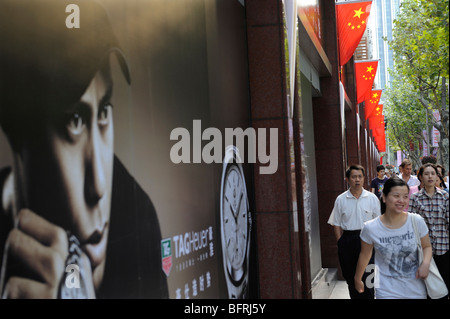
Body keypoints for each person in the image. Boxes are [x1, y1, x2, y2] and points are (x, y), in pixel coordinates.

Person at [0, 0, 168, 298]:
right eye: (74, 120)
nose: (99, 186)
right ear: (16, 127)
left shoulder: (137, 217)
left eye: (104, 112)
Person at [354, 177, 432, 299]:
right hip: (386, 290)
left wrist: (426, 264)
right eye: (396, 196)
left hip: (416, 289)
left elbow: (426, 246)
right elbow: (365, 255)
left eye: (405, 196)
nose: (401, 200)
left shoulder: (416, 221)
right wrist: (358, 278)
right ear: (384, 197)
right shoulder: (370, 228)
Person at [328, 164, 380, 299]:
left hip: (368, 240)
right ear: (347, 179)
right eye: (354, 177)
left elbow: (378, 222)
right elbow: (336, 223)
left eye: (360, 177)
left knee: (368, 279)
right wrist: (340, 242)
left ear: (364, 179)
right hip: (348, 239)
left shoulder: (372, 198)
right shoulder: (341, 199)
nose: (357, 180)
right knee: (351, 279)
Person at [409, 163, 449, 295]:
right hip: (423, 251)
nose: (430, 176)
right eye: (426, 174)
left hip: (444, 248)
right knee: (426, 287)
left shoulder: (445, 197)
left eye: (433, 173)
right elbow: (412, 225)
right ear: (420, 177)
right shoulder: (415, 198)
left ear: (437, 176)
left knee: (444, 286)